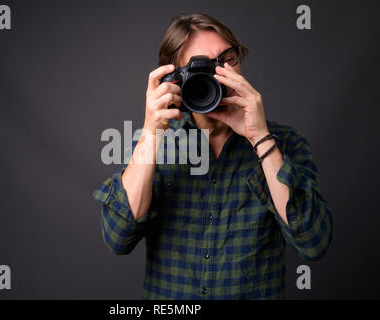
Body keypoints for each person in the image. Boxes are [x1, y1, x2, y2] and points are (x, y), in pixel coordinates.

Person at [93, 13, 332, 299]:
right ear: (174, 79)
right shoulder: (153, 145)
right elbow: (118, 238)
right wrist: (150, 132)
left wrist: (261, 138)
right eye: (201, 69)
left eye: (227, 60)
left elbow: (313, 243)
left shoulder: (286, 143)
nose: (218, 76)